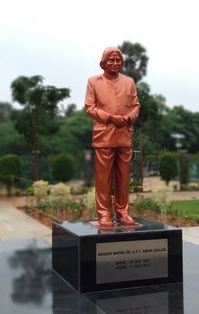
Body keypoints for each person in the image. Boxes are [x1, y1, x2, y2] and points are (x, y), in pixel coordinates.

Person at [85, 47, 140, 227]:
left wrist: (128, 118)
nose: (115, 63)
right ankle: (103, 214)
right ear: (103, 62)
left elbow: (135, 105)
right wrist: (109, 118)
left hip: (124, 135)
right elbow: (89, 107)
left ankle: (123, 212)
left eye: (118, 60)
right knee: (103, 179)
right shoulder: (94, 82)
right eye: (111, 60)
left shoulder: (129, 82)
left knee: (123, 177)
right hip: (104, 136)